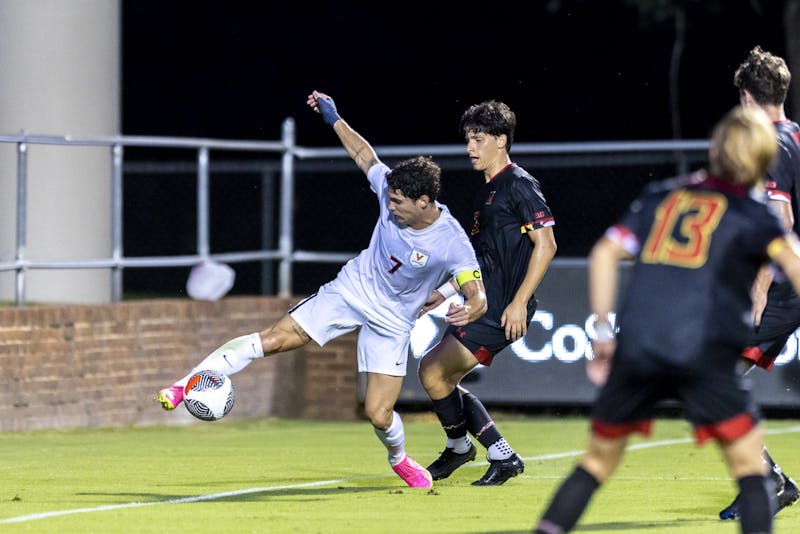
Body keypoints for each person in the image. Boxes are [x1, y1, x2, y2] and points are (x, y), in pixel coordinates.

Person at [155, 90, 488, 489]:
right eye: (390, 198)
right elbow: (364, 155)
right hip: (350, 290)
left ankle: (399, 459)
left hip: (394, 321)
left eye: (399, 202)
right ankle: (187, 383)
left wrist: (470, 306)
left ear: (424, 201)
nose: (391, 206)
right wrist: (334, 118)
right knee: (275, 338)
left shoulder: (452, 241)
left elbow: (476, 291)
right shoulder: (388, 189)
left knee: (379, 414)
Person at [534, 105, 800, 534]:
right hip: (705, 353)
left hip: (639, 346)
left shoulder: (662, 195)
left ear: (715, 150)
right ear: (763, 160)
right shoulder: (755, 216)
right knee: (752, 471)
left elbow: (604, 254)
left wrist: (602, 332)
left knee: (596, 463)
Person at [415, 101, 557, 485]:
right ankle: (491, 452)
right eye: (467, 140)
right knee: (438, 376)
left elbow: (547, 245)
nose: (470, 148)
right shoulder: (487, 193)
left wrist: (519, 302)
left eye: (478, 139)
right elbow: (479, 259)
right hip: (483, 303)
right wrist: (445, 291)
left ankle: (469, 449)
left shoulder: (519, 184)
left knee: (433, 371)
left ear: (501, 140)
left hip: (502, 307)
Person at [718, 45, 800, 521]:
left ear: (747, 98)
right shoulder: (795, 135)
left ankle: (768, 481)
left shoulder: (768, 140)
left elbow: (779, 219)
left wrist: (760, 288)